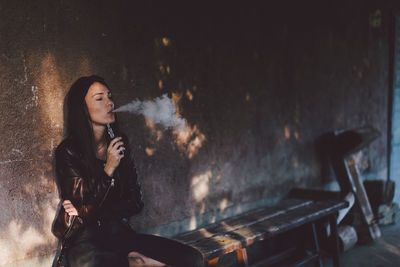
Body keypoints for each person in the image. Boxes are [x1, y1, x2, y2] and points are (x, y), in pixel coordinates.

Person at [52, 75, 202, 267]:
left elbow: (135, 201)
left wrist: (93, 211)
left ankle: (136, 261)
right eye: (99, 98)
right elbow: (82, 207)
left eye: (109, 96)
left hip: (118, 233)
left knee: (192, 259)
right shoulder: (68, 152)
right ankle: (136, 262)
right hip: (85, 242)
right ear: (82, 108)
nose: (110, 103)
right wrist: (109, 169)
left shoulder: (119, 143)